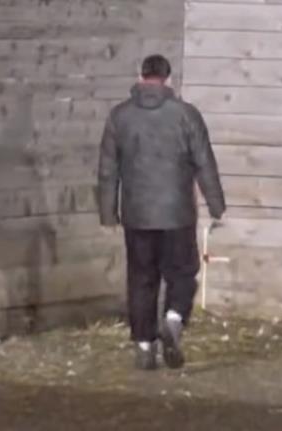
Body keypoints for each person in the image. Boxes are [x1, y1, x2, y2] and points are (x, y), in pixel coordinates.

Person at [97, 54, 226, 370]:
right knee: (182, 272)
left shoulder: (118, 117)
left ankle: (144, 347)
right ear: (169, 78)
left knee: (141, 278)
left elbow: (107, 170)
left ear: (139, 75)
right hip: (177, 213)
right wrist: (216, 206)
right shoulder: (186, 115)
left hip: (137, 215)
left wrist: (108, 213)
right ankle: (173, 319)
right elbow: (204, 163)